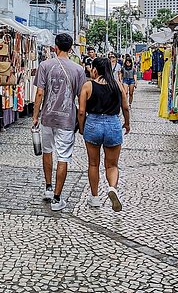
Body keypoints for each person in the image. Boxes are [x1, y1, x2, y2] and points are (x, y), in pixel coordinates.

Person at [32, 33, 86, 211]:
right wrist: (82, 122)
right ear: (71, 49)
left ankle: (48, 188)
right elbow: (81, 98)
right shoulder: (78, 69)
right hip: (66, 119)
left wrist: (35, 116)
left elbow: (40, 93)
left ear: (55, 47)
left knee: (47, 151)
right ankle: (57, 198)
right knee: (63, 156)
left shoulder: (44, 65)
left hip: (47, 116)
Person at [78, 57, 131, 211]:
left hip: (93, 125)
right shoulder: (117, 85)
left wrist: (82, 128)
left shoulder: (88, 86)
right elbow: (126, 107)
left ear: (95, 69)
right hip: (113, 125)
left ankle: (95, 197)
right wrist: (126, 123)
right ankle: (112, 188)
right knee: (112, 164)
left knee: (93, 164)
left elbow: (81, 111)